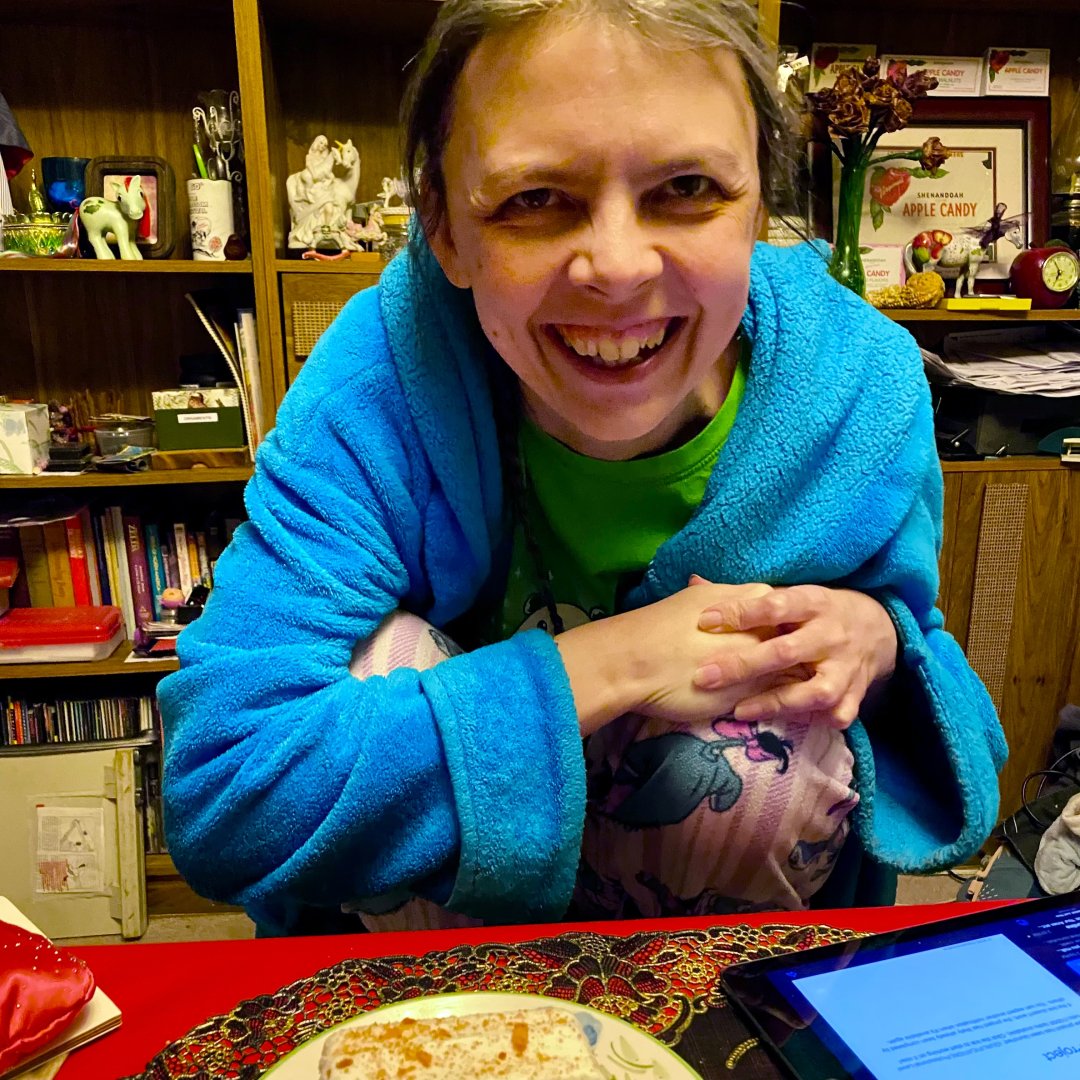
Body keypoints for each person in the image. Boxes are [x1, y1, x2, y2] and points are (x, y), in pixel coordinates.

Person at [158, 0, 1005, 937]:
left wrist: (875, 645)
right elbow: (224, 784)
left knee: (797, 738)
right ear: (442, 226)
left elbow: (927, 670)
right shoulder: (381, 378)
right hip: (430, 966)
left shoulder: (861, 389)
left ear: (761, 201)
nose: (616, 267)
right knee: (374, 660)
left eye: (687, 187)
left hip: (719, 956)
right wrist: (616, 662)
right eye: (533, 200)